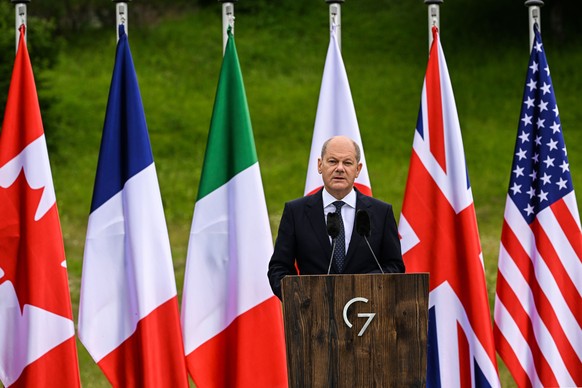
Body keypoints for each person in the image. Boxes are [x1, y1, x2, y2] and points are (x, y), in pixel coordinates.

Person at [268, 135, 405, 300]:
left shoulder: (380, 213)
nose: (340, 168)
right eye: (332, 161)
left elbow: (394, 266)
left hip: (368, 314)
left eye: (347, 163)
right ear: (320, 165)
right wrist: (300, 300)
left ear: (358, 169)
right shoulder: (296, 212)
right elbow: (279, 268)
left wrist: (364, 285)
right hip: (312, 317)